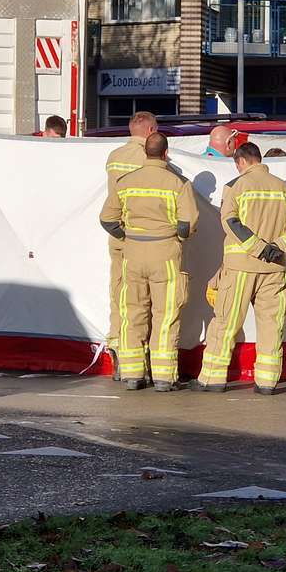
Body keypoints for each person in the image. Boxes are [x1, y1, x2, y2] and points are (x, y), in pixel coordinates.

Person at [197, 142, 286, 394]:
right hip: (274, 270)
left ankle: (212, 379)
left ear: (241, 162)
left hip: (240, 268)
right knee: (271, 326)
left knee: (225, 323)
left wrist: (258, 247)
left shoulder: (236, 186)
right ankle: (267, 382)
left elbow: (230, 222)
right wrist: (278, 247)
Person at [99, 132, 198, 390]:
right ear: (166, 153)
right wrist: (175, 235)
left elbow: (107, 219)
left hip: (132, 252)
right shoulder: (178, 183)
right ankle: (164, 377)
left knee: (133, 311)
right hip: (164, 252)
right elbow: (188, 224)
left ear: (145, 153)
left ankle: (133, 375)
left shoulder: (125, 181)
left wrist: (128, 235)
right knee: (165, 314)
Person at [102, 111, 159, 378]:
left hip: (118, 236)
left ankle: (118, 355)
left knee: (119, 294)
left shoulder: (114, 157)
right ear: (150, 131)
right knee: (143, 300)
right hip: (143, 237)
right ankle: (141, 360)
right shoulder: (150, 157)